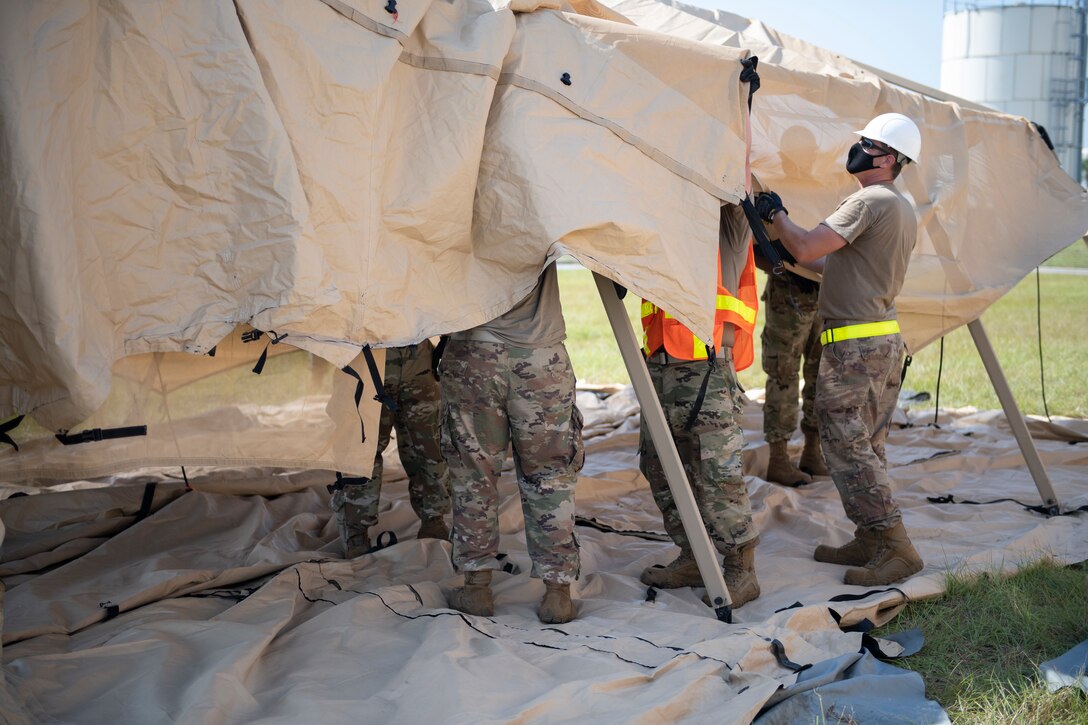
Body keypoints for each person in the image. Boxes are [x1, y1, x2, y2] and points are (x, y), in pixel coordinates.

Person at [755, 112, 924, 586]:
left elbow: (809, 248)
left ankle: (896, 548)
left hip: (855, 346)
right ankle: (871, 538)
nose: (860, 149)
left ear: (889, 158)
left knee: (847, 449)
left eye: (869, 143)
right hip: (881, 340)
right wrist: (788, 243)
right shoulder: (899, 205)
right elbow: (836, 263)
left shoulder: (868, 200)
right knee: (867, 446)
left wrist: (775, 216)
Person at [441, 262, 584, 624]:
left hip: (473, 353)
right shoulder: (541, 206)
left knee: (474, 475)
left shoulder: (450, 208)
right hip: (539, 357)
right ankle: (557, 594)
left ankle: (476, 587)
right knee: (549, 475)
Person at [637, 203, 762, 607]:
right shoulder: (662, 213)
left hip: (706, 367)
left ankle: (741, 567)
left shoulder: (726, 216)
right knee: (659, 464)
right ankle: (692, 555)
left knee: (717, 472)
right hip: (659, 363)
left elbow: (735, 166)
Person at [331, 341, 451, 558]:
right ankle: (355, 533)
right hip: (365, 353)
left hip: (417, 352)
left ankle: (434, 520)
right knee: (361, 445)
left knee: (428, 443)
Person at [758, 263, 828, 487]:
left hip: (826, 290)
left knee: (821, 374)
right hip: (789, 287)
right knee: (783, 374)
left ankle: (812, 451)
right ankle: (778, 459)